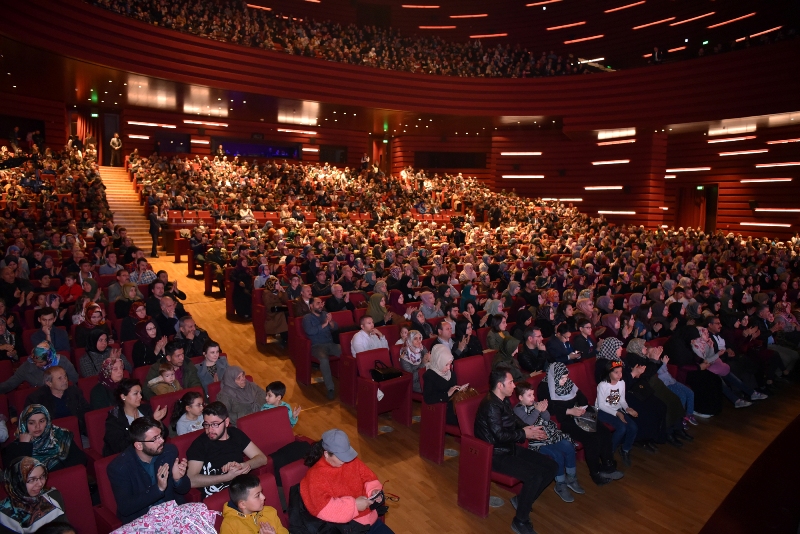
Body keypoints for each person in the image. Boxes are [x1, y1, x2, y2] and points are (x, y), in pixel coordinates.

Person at [474, 367, 558, 534]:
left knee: (551, 466)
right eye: (511, 382)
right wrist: (524, 433)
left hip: (508, 447)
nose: (514, 385)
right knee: (535, 476)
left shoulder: (502, 399)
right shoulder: (491, 405)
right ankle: (520, 521)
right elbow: (498, 435)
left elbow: (514, 420)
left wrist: (529, 429)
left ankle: (522, 499)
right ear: (500, 385)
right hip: (495, 454)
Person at [537, 362, 622, 486]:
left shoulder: (568, 382)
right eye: (562, 378)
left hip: (580, 413)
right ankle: (595, 472)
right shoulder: (544, 387)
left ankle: (607, 466)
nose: (565, 380)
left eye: (566, 377)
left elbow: (581, 396)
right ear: (554, 376)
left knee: (604, 432)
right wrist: (570, 411)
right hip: (564, 420)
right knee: (592, 439)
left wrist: (581, 407)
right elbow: (549, 409)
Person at [298, 429, 392, 534]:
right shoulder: (315, 476)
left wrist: (374, 491)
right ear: (326, 454)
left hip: (371, 521)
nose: (345, 460)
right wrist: (355, 506)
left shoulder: (351, 461)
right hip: (348, 529)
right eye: (341, 457)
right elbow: (324, 509)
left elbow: (368, 478)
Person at [107, 416, 191, 524]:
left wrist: (178, 480)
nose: (161, 440)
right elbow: (125, 508)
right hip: (142, 521)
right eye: (154, 438)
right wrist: (158, 489)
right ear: (139, 445)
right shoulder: (119, 467)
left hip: (172, 514)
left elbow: (184, 490)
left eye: (160, 435)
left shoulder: (169, 452)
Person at [514, 381, 584, 503]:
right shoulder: (518, 410)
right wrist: (537, 410)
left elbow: (546, 418)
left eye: (533, 394)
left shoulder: (535, 404)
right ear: (520, 397)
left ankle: (571, 478)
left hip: (550, 433)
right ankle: (560, 484)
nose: (533, 398)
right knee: (557, 455)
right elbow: (528, 423)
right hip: (535, 440)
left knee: (568, 447)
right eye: (529, 395)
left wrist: (544, 410)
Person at [186, 402, 268, 499]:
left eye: (215, 424)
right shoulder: (200, 444)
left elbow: (262, 458)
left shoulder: (236, 434)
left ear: (226, 422)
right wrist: (227, 477)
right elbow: (190, 480)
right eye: (206, 425)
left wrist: (242, 466)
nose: (210, 430)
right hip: (218, 496)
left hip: (241, 491)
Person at [1, 405, 87, 472]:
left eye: (42, 421)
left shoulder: (61, 435)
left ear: (48, 421)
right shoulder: (13, 448)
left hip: (68, 483)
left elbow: (81, 459)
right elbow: (18, 477)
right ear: (24, 425)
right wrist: (24, 446)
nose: (37, 426)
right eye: (31, 423)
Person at [0, 457, 67, 533]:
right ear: (17, 482)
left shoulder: (53, 496)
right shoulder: (4, 514)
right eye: (31, 480)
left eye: (42, 476)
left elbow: (65, 529)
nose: (40, 483)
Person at [103, 379, 168, 457]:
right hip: (128, 457)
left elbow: (165, 434)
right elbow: (119, 447)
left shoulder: (145, 409)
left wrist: (157, 421)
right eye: (135, 394)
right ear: (123, 396)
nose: (140, 396)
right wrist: (135, 428)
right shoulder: (115, 419)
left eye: (140, 393)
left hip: (151, 451)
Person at [25, 366, 90, 437]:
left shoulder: (74, 392)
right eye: (60, 378)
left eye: (65, 376)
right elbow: (32, 423)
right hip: (51, 437)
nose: (65, 380)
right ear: (49, 383)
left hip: (77, 433)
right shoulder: (36, 399)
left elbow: (86, 411)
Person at [596, 360, 638, 467]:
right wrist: (617, 414)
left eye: (621, 372)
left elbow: (622, 400)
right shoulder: (602, 385)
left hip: (616, 410)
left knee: (633, 427)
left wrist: (627, 408)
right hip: (603, 411)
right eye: (616, 372)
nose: (620, 375)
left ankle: (625, 450)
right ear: (609, 373)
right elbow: (601, 405)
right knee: (621, 428)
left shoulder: (621, 383)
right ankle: (609, 452)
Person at [0, 341, 78, 394]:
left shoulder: (62, 362)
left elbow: (74, 379)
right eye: (34, 361)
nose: (37, 364)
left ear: (49, 358)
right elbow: (10, 384)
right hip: (41, 398)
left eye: (40, 362)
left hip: (65, 394)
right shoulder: (27, 367)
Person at [220, 473, 288, 534]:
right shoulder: (230, 525)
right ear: (242, 504)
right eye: (257, 495)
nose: (263, 497)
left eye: (261, 492)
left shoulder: (270, 512)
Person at [302, 297, 340, 400]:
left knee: (347, 353)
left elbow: (335, 327)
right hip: (317, 346)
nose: (321, 305)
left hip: (330, 344)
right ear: (311, 306)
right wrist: (324, 324)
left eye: (321, 303)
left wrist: (331, 321)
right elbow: (310, 331)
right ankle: (330, 388)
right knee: (324, 360)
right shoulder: (307, 318)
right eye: (318, 303)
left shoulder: (325, 314)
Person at [422, 345, 463, 426]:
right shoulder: (430, 375)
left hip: (454, 406)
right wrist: (447, 394)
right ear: (438, 361)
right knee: (467, 417)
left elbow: (452, 387)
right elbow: (428, 399)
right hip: (443, 410)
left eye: (450, 364)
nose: (449, 367)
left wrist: (459, 389)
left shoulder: (450, 373)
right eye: (446, 364)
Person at [261, 276, 289, 346]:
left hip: (279, 310)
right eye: (277, 284)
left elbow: (285, 301)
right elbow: (269, 306)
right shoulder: (266, 293)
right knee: (283, 315)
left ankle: (287, 336)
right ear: (271, 284)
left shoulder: (278, 292)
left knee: (288, 313)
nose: (279, 285)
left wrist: (283, 291)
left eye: (279, 283)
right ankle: (284, 338)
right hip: (272, 313)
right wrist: (279, 304)